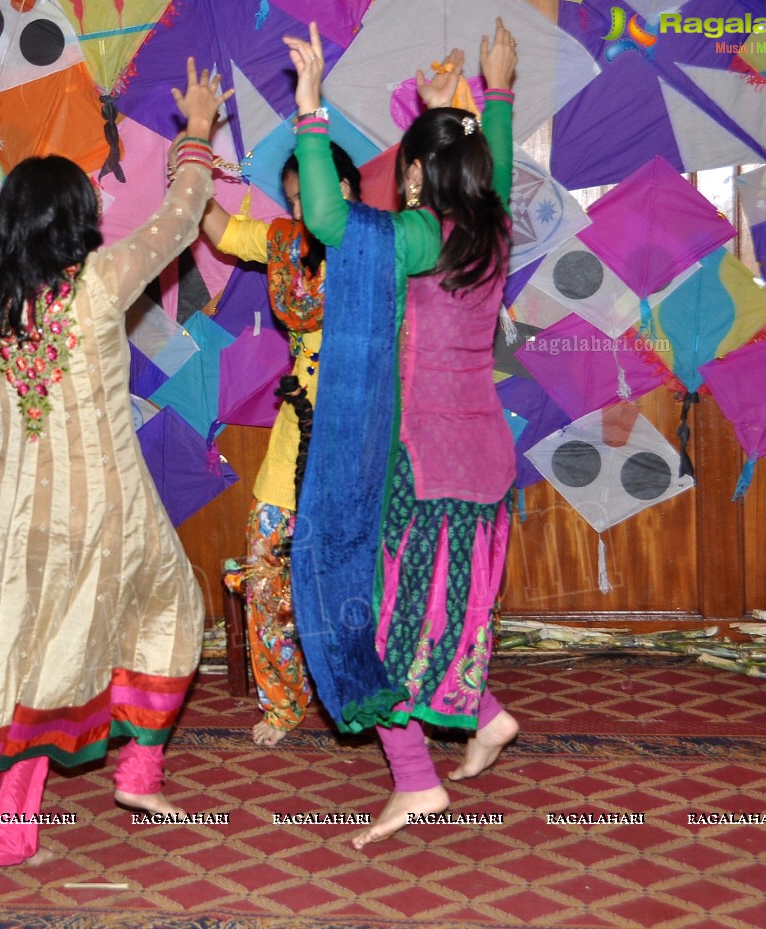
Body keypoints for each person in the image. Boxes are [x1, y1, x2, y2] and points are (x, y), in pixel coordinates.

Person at [0, 62, 232, 867]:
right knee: (171, 610)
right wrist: (196, 131)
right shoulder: (99, 282)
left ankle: (13, 818)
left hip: (14, 513)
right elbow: (179, 216)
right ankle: (138, 763)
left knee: (30, 647)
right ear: (80, 220)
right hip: (106, 507)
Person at [284, 20, 521, 847]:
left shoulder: (423, 236)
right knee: (436, 617)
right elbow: (498, 169)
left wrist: (310, 112)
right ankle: (486, 715)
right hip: (484, 465)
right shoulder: (493, 228)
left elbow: (328, 218)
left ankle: (418, 781)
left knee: (374, 626)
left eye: (407, 167)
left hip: (422, 469)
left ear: (418, 174)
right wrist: (488, 96)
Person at [204, 147, 366, 747]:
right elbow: (223, 231)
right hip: (296, 436)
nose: (301, 207)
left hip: (363, 435)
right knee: (268, 571)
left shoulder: (380, 247)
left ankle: (374, 694)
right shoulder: (286, 247)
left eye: (311, 194)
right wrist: (192, 168)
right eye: (293, 197)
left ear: (345, 187)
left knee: (362, 578)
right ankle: (283, 704)